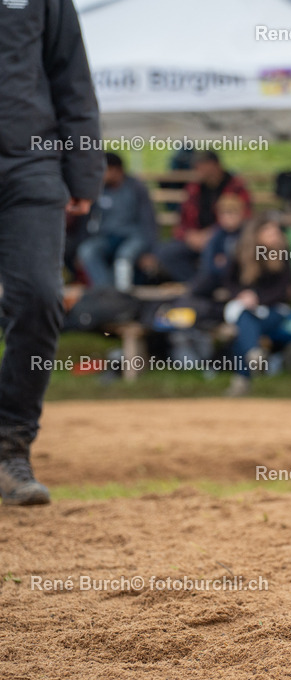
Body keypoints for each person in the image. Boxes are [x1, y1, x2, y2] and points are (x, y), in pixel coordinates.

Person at [0, 0, 104, 505]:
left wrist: (84, 170)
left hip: (29, 163)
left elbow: (71, 75)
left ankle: (11, 446)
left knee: (41, 296)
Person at [210, 215, 291, 397]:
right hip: (248, 309)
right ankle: (253, 355)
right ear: (256, 234)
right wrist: (242, 295)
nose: (274, 235)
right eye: (269, 231)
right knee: (245, 320)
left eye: (276, 231)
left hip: (274, 310)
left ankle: (242, 377)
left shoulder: (282, 255)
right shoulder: (241, 254)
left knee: (244, 327)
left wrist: (258, 299)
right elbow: (228, 281)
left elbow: (283, 290)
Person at [151, 151, 251, 282]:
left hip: (224, 237)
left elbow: (243, 218)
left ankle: (217, 285)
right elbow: (183, 220)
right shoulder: (193, 188)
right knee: (166, 252)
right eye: (197, 166)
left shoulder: (235, 187)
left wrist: (212, 235)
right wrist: (189, 236)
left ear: (214, 165)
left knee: (223, 251)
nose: (198, 170)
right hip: (195, 239)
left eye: (201, 166)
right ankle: (196, 285)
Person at [76, 152, 157, 291]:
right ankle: (105, 292)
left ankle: (122, 295)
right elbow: (87, 220)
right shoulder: (99, 189)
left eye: (104, 170)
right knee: (87, 251)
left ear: (116, 170)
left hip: (134, 236)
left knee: (124, 256)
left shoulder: (136, 188)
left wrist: (152, 251)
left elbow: (148, 220)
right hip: (107, 236)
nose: (101, 174)